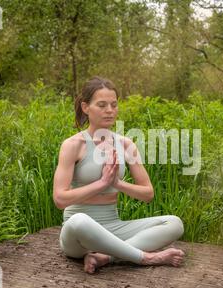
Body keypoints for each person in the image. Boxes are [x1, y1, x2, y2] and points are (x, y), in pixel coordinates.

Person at [53, 76, 185, 274]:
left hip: (113, 227)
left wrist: (117, 183)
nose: (109, 110)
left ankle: (106, 257)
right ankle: (145, 258)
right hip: (79, 236)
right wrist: (102, 183)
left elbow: (147, 193)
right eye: (102, 105)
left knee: (174, 223)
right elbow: (60, 199)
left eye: (114, 105)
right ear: (85, 107)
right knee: (79, 220)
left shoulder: (125, 144)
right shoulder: (73, 145)